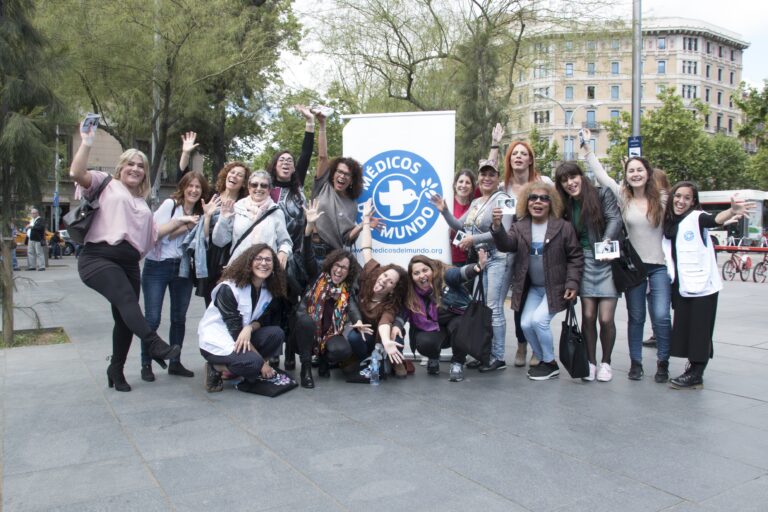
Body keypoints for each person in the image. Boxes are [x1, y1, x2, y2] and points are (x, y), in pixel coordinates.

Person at [69, 118, 188, 392]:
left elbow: (154, 232)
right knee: (127, 302)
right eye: (130, 164)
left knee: (124, 317)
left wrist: (184, 221)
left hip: (129, 263)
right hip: (99, 257)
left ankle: (116, 369)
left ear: (145, 174)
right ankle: (154, 343)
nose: (135, 169)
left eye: (140, 166)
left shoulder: (141, 202)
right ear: (120, 168)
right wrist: (87, 141)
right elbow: (76, 173)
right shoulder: (105, 183)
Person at [580, 128, 671, 382]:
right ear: (627, 175)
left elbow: (686, 209)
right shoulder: (623, 197)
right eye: (631, 171)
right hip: (633, 268)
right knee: (636, 316)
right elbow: (601, 175)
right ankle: (636, 363)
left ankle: (663, 362)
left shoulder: (663, 199)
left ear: (648, 173)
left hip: (659, 266)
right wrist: (588, 149)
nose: (635, 174)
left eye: (639, 170)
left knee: (662, 316)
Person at [491, 181, 584, 381]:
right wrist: (497, 228)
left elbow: (576, 257)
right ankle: (543, 360)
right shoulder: (520, 226)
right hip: (533, 288)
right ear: (527, 202)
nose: (538, 202)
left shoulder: (563, 227)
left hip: (555, 287)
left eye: (544, 198)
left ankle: (550, 362)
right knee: (525, 324)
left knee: (539, 321)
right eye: (533, 198)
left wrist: (572, 283)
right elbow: (507, 245)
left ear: (552, 203)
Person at [662, 183, 751, 389]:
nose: (681, 201)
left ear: (693, 202)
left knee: (700, 329)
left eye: (687, 198)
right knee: (687, 328)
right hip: (683, 284)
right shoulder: (670, 222)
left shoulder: (696, 217)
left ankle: (696, 373)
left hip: (702, 286)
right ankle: (693, 369)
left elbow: (713, 219)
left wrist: (731, 211)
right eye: (678, 196)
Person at [430, 159, 513, 373]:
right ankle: (485, 353)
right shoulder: (477, 202)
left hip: (498, 258)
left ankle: (498, 356)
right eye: (483, 174)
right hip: (483, 260)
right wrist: (445, 211)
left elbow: (502, 232)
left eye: (491, 175)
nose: (487, 178)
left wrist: (473, 240)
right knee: (484, 307)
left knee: (494, 308)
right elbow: (460, 225)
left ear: (497, 178)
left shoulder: (503, 199)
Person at [139, 171, 212, 382]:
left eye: (198, 187)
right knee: (152, 318)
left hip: (183, 268)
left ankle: (175, 362)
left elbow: (202, 239)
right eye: (191, 186)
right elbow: (156, 233)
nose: (194, 190)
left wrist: (199, 221)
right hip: (157, 266)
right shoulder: (171, 205)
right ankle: (146, 363)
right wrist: (184, 224)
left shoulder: (199, 211)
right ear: (183, 187)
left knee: (179, 318)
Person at [555, 162, 623, 382]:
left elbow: (614, 219)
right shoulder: (565, 205)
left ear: (581, 177)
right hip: (582, 263)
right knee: (588, 315)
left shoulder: (602, 194)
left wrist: (605, 242)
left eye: (573, 177)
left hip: (606, 260)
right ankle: (590, 362)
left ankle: (607, 362)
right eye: (564, 180)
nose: (570, 183)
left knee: (605, 319)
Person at [494, 124, 553, 368]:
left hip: (538, 250)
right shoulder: (503, 187)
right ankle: (521, 345)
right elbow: (485, 173)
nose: (519, 157)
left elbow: (557, 211)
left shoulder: (544, 182)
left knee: (533, 300)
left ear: (530, 160)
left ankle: (537, 347)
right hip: (512, 250)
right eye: (514, 154)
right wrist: (495, 146)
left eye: (523, 154)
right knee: (517, 300)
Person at [198, 244, 288, 393]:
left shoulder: (267, 288)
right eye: (258, 259)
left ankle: (244, 365)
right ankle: (215, 367)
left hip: (242, 336)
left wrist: (250, 327)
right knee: (254, 364)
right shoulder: (229, 288)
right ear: (249, 262)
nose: (264, 263)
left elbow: (263, 320)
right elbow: (235, 332)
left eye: (268, 259)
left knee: (276, 334)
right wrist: (262, 364)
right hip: (217, 342)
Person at [398, 250, 487, 382]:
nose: (422, 275)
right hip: (435, 330)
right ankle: (433, 357)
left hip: (456, 325)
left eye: (425, 270)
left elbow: (458, 274)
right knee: (424, 342)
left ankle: (457, 363)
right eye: (416, 273)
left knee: (460, 325)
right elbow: (402, 313)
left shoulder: (446, 277)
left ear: (432, 269)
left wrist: (476, 267)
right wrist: (396, 325)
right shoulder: (412, 293)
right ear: (412, 277)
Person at [293, 245, 370, 388]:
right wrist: (308, 231)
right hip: (307, 333)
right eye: (337, 265)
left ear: (349, 272)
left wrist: (358, 321)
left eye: (344, 268)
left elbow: (352, 307)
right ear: (331, 265)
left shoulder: (345, 290)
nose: (339, 270)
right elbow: (308, 256)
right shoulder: (317, 277)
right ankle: (306, 368)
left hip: (329, 334)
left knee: (343, 350)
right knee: (305, 321)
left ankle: (323, 360)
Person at [352, 199, 409, 380]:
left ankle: (394, 359)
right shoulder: (373, 273)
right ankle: (363, 360)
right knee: (354, 338)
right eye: (385, 276)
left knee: (395, 335)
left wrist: (386, 341)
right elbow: (366, 248)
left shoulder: (390, 304)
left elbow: (385, 322)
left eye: (390, 282)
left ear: (392, 289)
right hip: (365, 333)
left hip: (381, 337)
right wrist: (366, 221)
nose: (384, 280)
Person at [309, 112, 366, 264]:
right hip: (313, 249)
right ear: (333, 173)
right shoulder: (322, 186)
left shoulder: (352, 204)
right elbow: (322, 157)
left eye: (347, 174)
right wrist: (322, 125)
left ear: (352, 180)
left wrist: (362, 225)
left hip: (336, 257)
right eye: (339, 172)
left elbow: (347, 239)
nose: (342, 176)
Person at [213, 170, 292, 268]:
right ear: (249, 187)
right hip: (239, 269)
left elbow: (285, 242)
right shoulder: (236, 208)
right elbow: (219, 241)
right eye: (254, 185)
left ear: (269, 189)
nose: (259, 188)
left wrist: (283, 252)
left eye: (263, 185)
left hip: (264, 270)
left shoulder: (276, 212)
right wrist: (223, 219)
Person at [450, 170, 477, 265]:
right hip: (448, 258)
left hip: (470, 259)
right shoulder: (448, 204)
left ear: (472, 187)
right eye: (461, 181)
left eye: (467, 182)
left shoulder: (475, 205)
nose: (464, 185)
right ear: (455, 184)